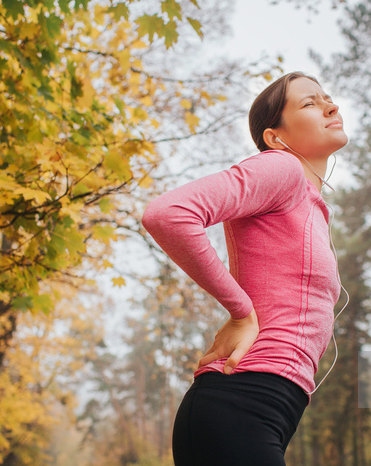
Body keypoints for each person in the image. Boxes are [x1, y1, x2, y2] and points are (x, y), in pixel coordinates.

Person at [141, 71, 348, 466]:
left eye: (327, 97)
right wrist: (240, 311)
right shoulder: (282, 168)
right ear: (275, 137)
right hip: (240, 403)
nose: (331, 106)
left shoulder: (311, 206)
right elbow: (167, 214)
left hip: (266, 410)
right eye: (309, 103)